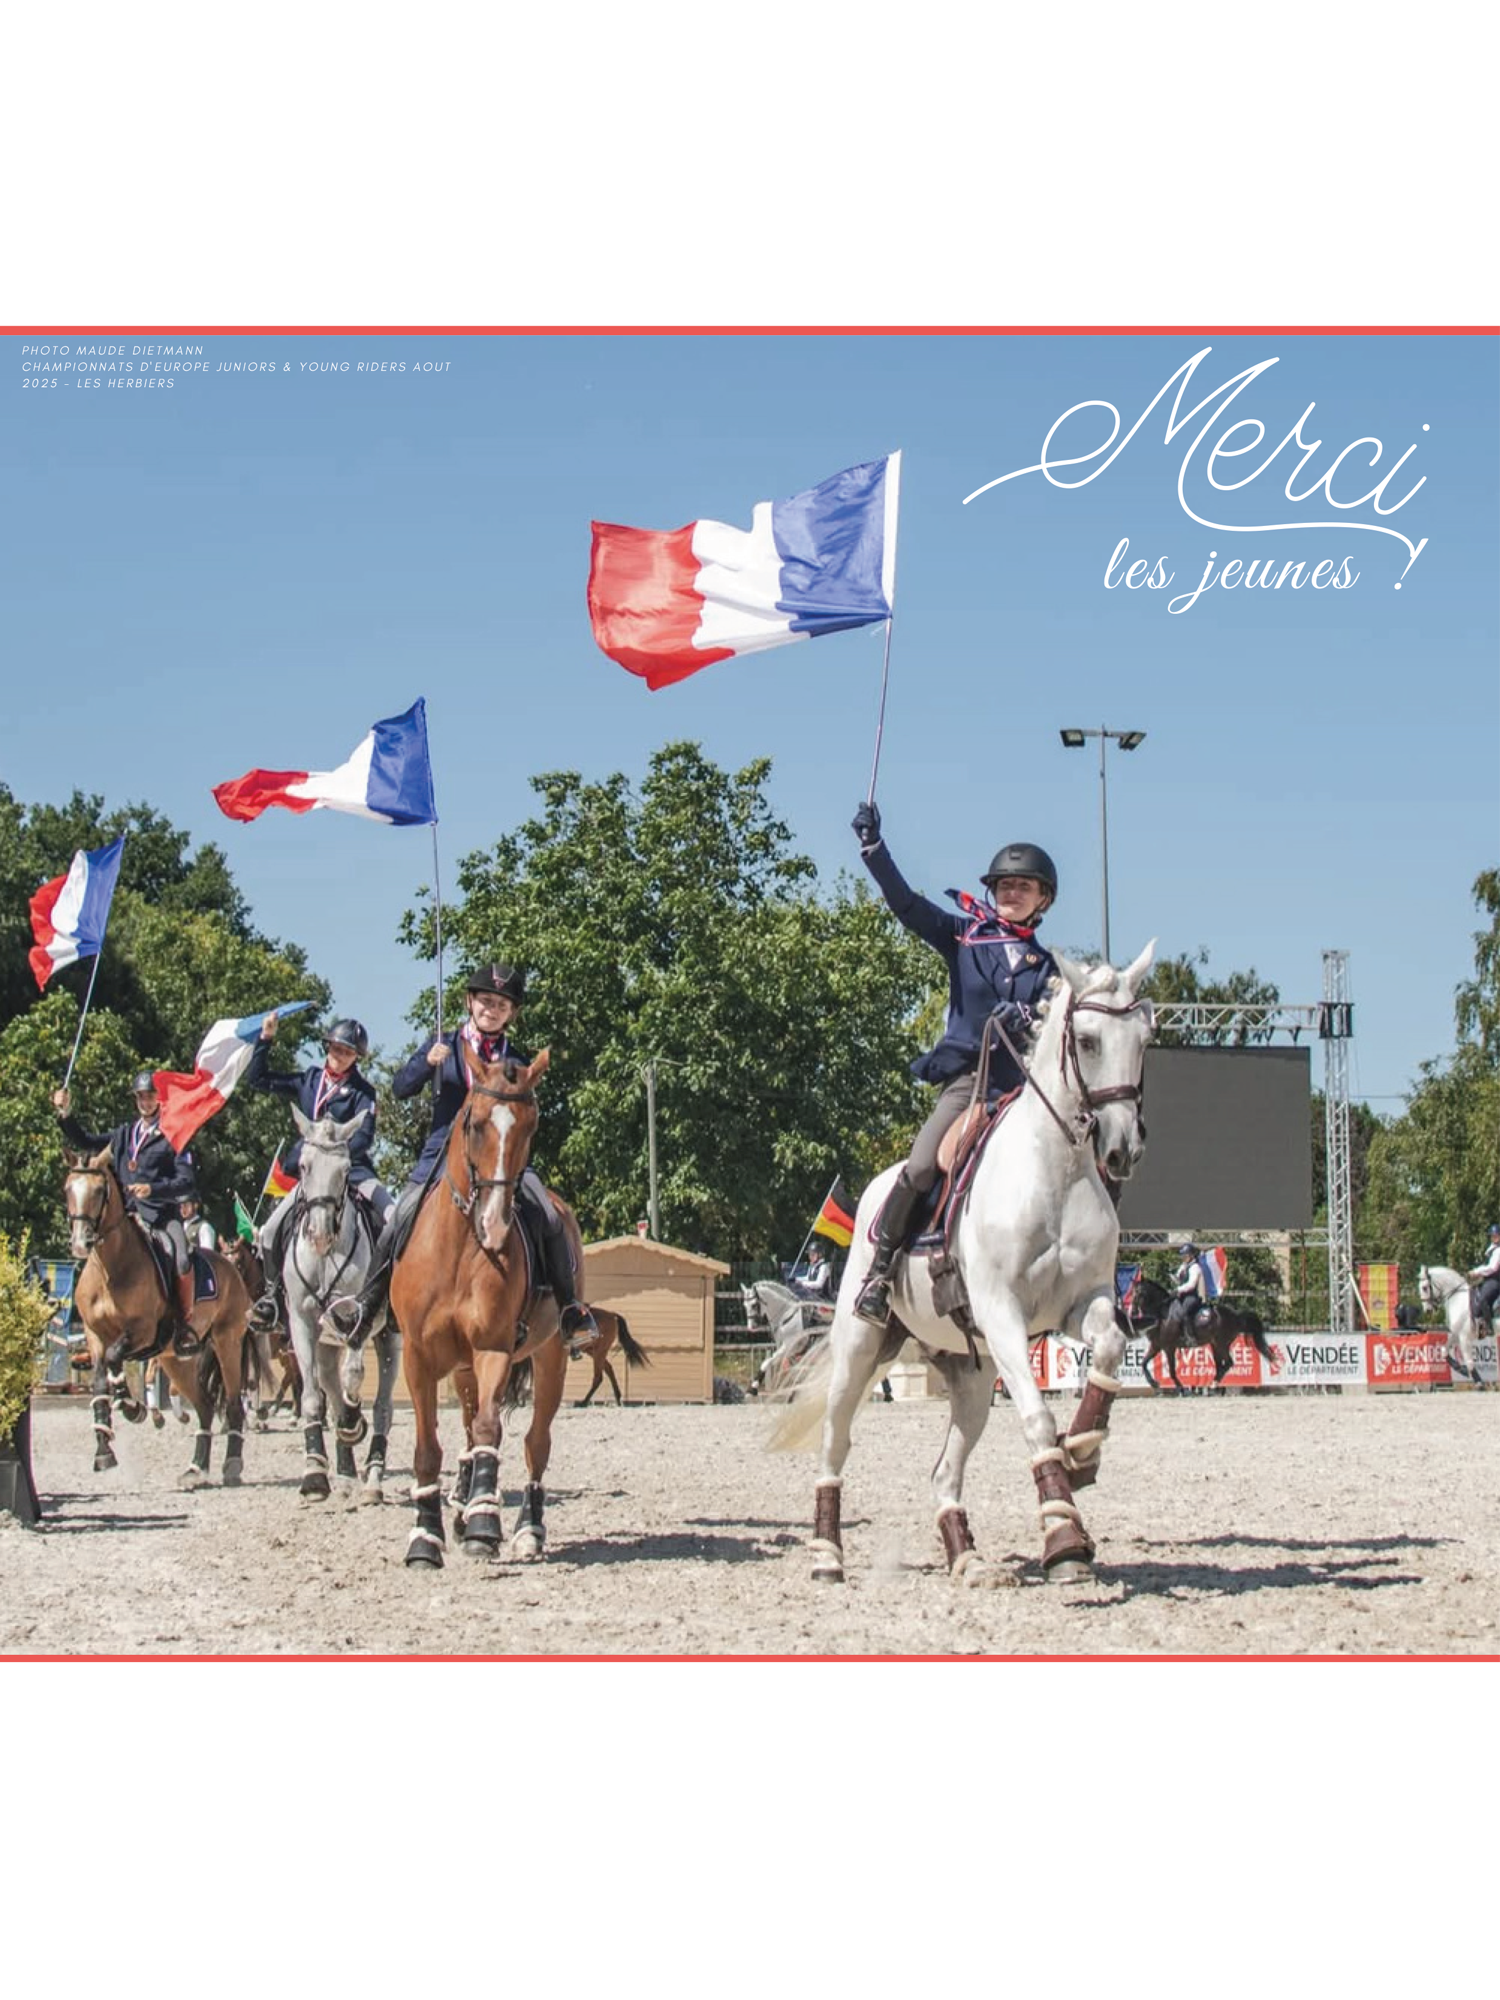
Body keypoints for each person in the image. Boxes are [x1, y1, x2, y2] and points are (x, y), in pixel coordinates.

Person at [849, 800, 1059, 1323]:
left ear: (1043, 900)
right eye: (1004, 886)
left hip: (1021, 1090)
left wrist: (1031, 1018)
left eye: (1022, 887)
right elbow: (905, 904)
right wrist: (874, 850)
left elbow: (1056, 1028)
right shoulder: (963, 936)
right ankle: (879, 1272)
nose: (1010, 894)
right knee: (921, 1164)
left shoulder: (1049, 967)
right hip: (970, 1085)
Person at [329, 963, 597, 1347]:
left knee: (548, 1215)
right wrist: (427, 1063)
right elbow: (401, 1088)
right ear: (470, 1002)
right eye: (485, 1001)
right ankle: (367, 1307)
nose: (492, 1009)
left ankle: (569, 1309)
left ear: (512, 1014)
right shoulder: (444, 1044)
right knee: (399, 1216)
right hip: (442, 1154)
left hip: (502, 1161)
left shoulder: (518, 1061)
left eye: (502, 1006)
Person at [245, 1016, 389, 1333]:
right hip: (310, 1175)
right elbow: (258, 1080)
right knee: (269, 1230)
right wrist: (265, 1041)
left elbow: (364, 1137)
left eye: (347, 1052)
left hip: (350, 1169)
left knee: (392, 1216)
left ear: (356, 1058)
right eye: (336, 1048)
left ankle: (387, 1300)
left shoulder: (364, 1092)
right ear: (328, 1047)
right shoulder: (309, 1080)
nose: (340, 1055)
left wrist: (334, 1151)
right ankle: (271, 1297)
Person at [52, 1070, 202, 1355]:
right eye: (141, 1097)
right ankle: (95, 1324)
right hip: (126, 1215)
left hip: (161, 1216)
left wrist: (153, 1189)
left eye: (150, 1097)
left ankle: (184, 1326)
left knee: (181, 1258)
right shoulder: (124, 1134)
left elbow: (186, 1182)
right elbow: (85, 1142)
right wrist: (66, 1114)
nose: (145, 1102)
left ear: (160, 1099)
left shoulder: (174, 1134)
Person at [1169, 1242, 1210, 1337]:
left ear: (1191, 1255)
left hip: (1192, 1296)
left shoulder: (1195, 1267)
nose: (1183, 1257)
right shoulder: (1184, 1266)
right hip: (1182, 1295)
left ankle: (1190, 1336)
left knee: (1184, 1312)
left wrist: (1178, 1289)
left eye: (1185, 1255)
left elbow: (1191, 1284)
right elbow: (1180, 1279)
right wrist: (1173, 1277)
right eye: (1182, 1255)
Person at [1466, 1225, 1500, 1332]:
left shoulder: (1499, 1250)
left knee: (1482, 1299)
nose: (1494, 1238)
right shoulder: (1491, 1249)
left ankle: (1488, 1327)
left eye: (1496, 1235)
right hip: (1487, 1279)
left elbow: (1493, 1268)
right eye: (1492, 1236)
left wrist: (1476, 1272)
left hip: (1495, 1281)